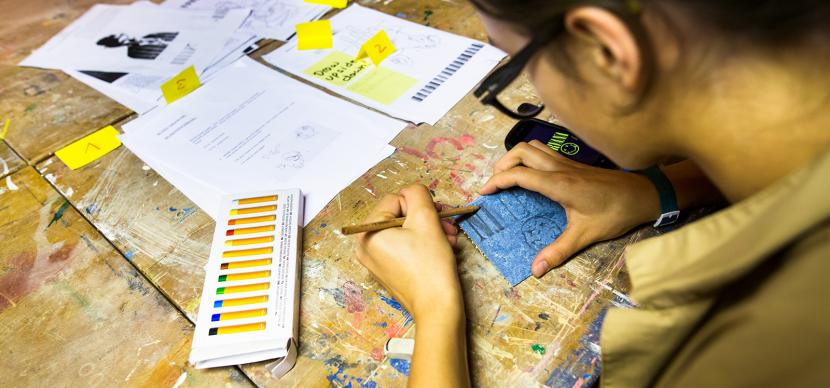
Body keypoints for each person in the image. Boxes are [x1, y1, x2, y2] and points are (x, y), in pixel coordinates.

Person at [355, 0, 830, 387]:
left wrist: (435, 307)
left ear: (605, 51)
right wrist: (661, 188)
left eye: (519, 68)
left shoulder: (730, 348)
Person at [96, 32, 179, 60]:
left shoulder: (150, 35)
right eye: (116, 39)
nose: (121, 36)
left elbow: (176, 35)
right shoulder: (133, 53)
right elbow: (164, 57)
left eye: (120, 35)